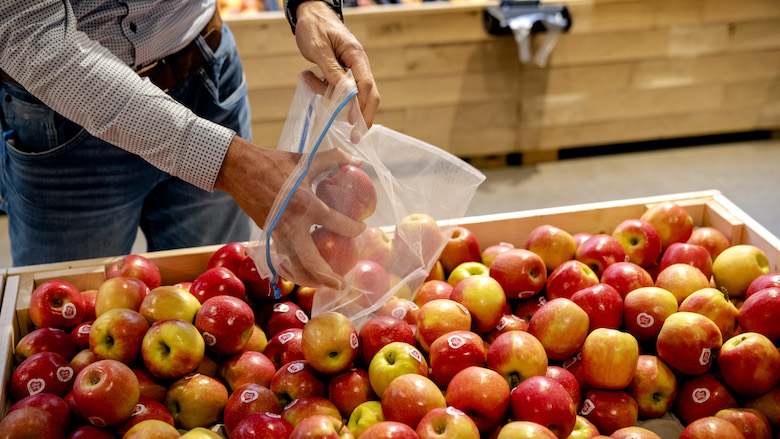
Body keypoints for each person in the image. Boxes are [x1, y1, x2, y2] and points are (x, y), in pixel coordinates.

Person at [0, 0, 380, 287]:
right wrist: (230, 163)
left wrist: (311, 3)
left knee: (219, 286)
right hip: (67, 114)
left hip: (203, 73)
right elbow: (28, 31)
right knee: (72, 313)